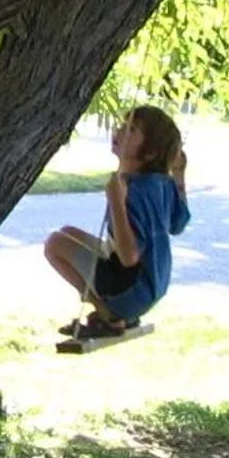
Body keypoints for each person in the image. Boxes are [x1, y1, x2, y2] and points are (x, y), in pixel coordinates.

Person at [42, 105, 190, 338]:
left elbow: (129, 257)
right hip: (153, 285)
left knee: (54, 244)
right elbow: (178, 224)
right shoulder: (161, 182)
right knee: (67, 232)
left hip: (132, 289)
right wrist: (179, 176)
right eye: (123, 125)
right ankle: (114, 313)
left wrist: (116, 203)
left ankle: (108, 314)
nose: (119, 131)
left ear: (149, 153)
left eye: (131, 130)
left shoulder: (132, 191)